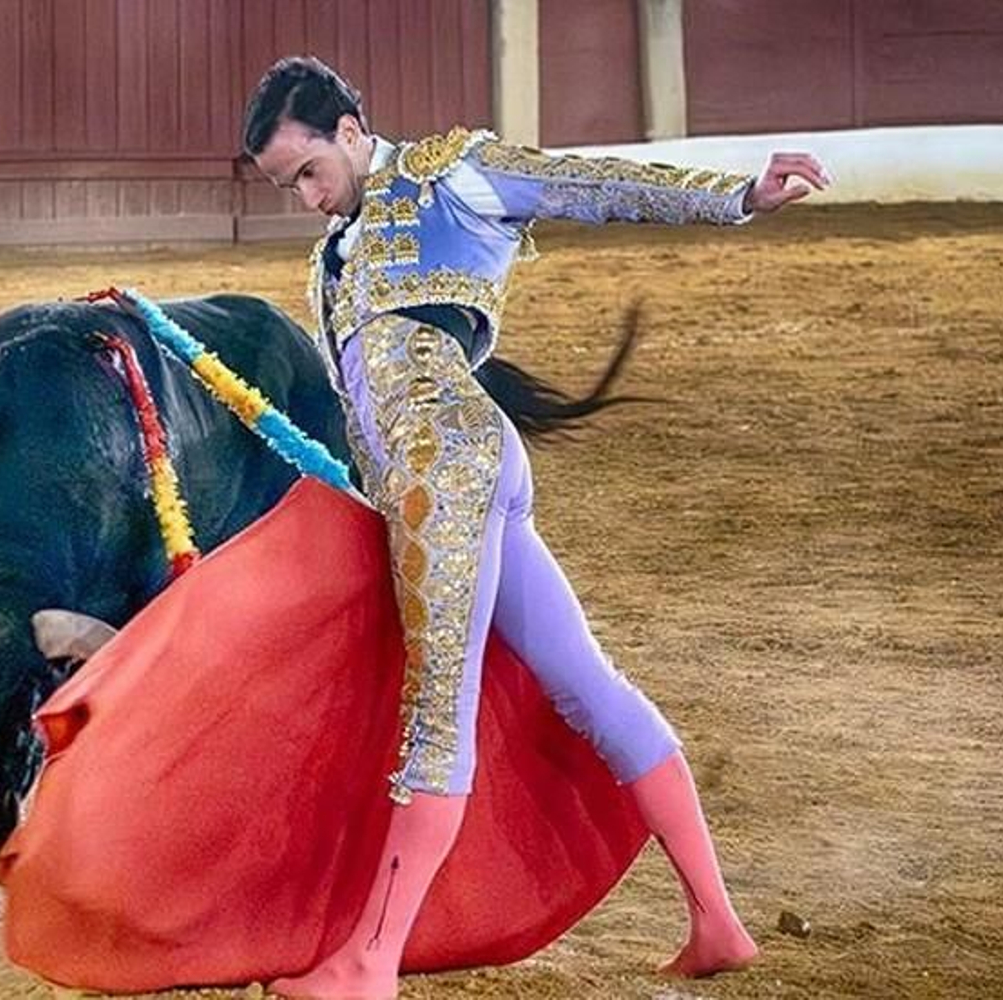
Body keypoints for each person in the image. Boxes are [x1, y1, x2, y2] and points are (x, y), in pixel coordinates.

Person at [243, 57, 829, 999]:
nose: (306, 198)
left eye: (309, 171)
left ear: (351, 129)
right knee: (586, 684)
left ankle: (370, 961)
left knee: (437, 717)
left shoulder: (451, 172)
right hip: (448, 473)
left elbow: (591, 182)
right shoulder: (331, 260)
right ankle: (717, 922)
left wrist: (740, 196)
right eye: (288, 186)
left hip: (447, 468)